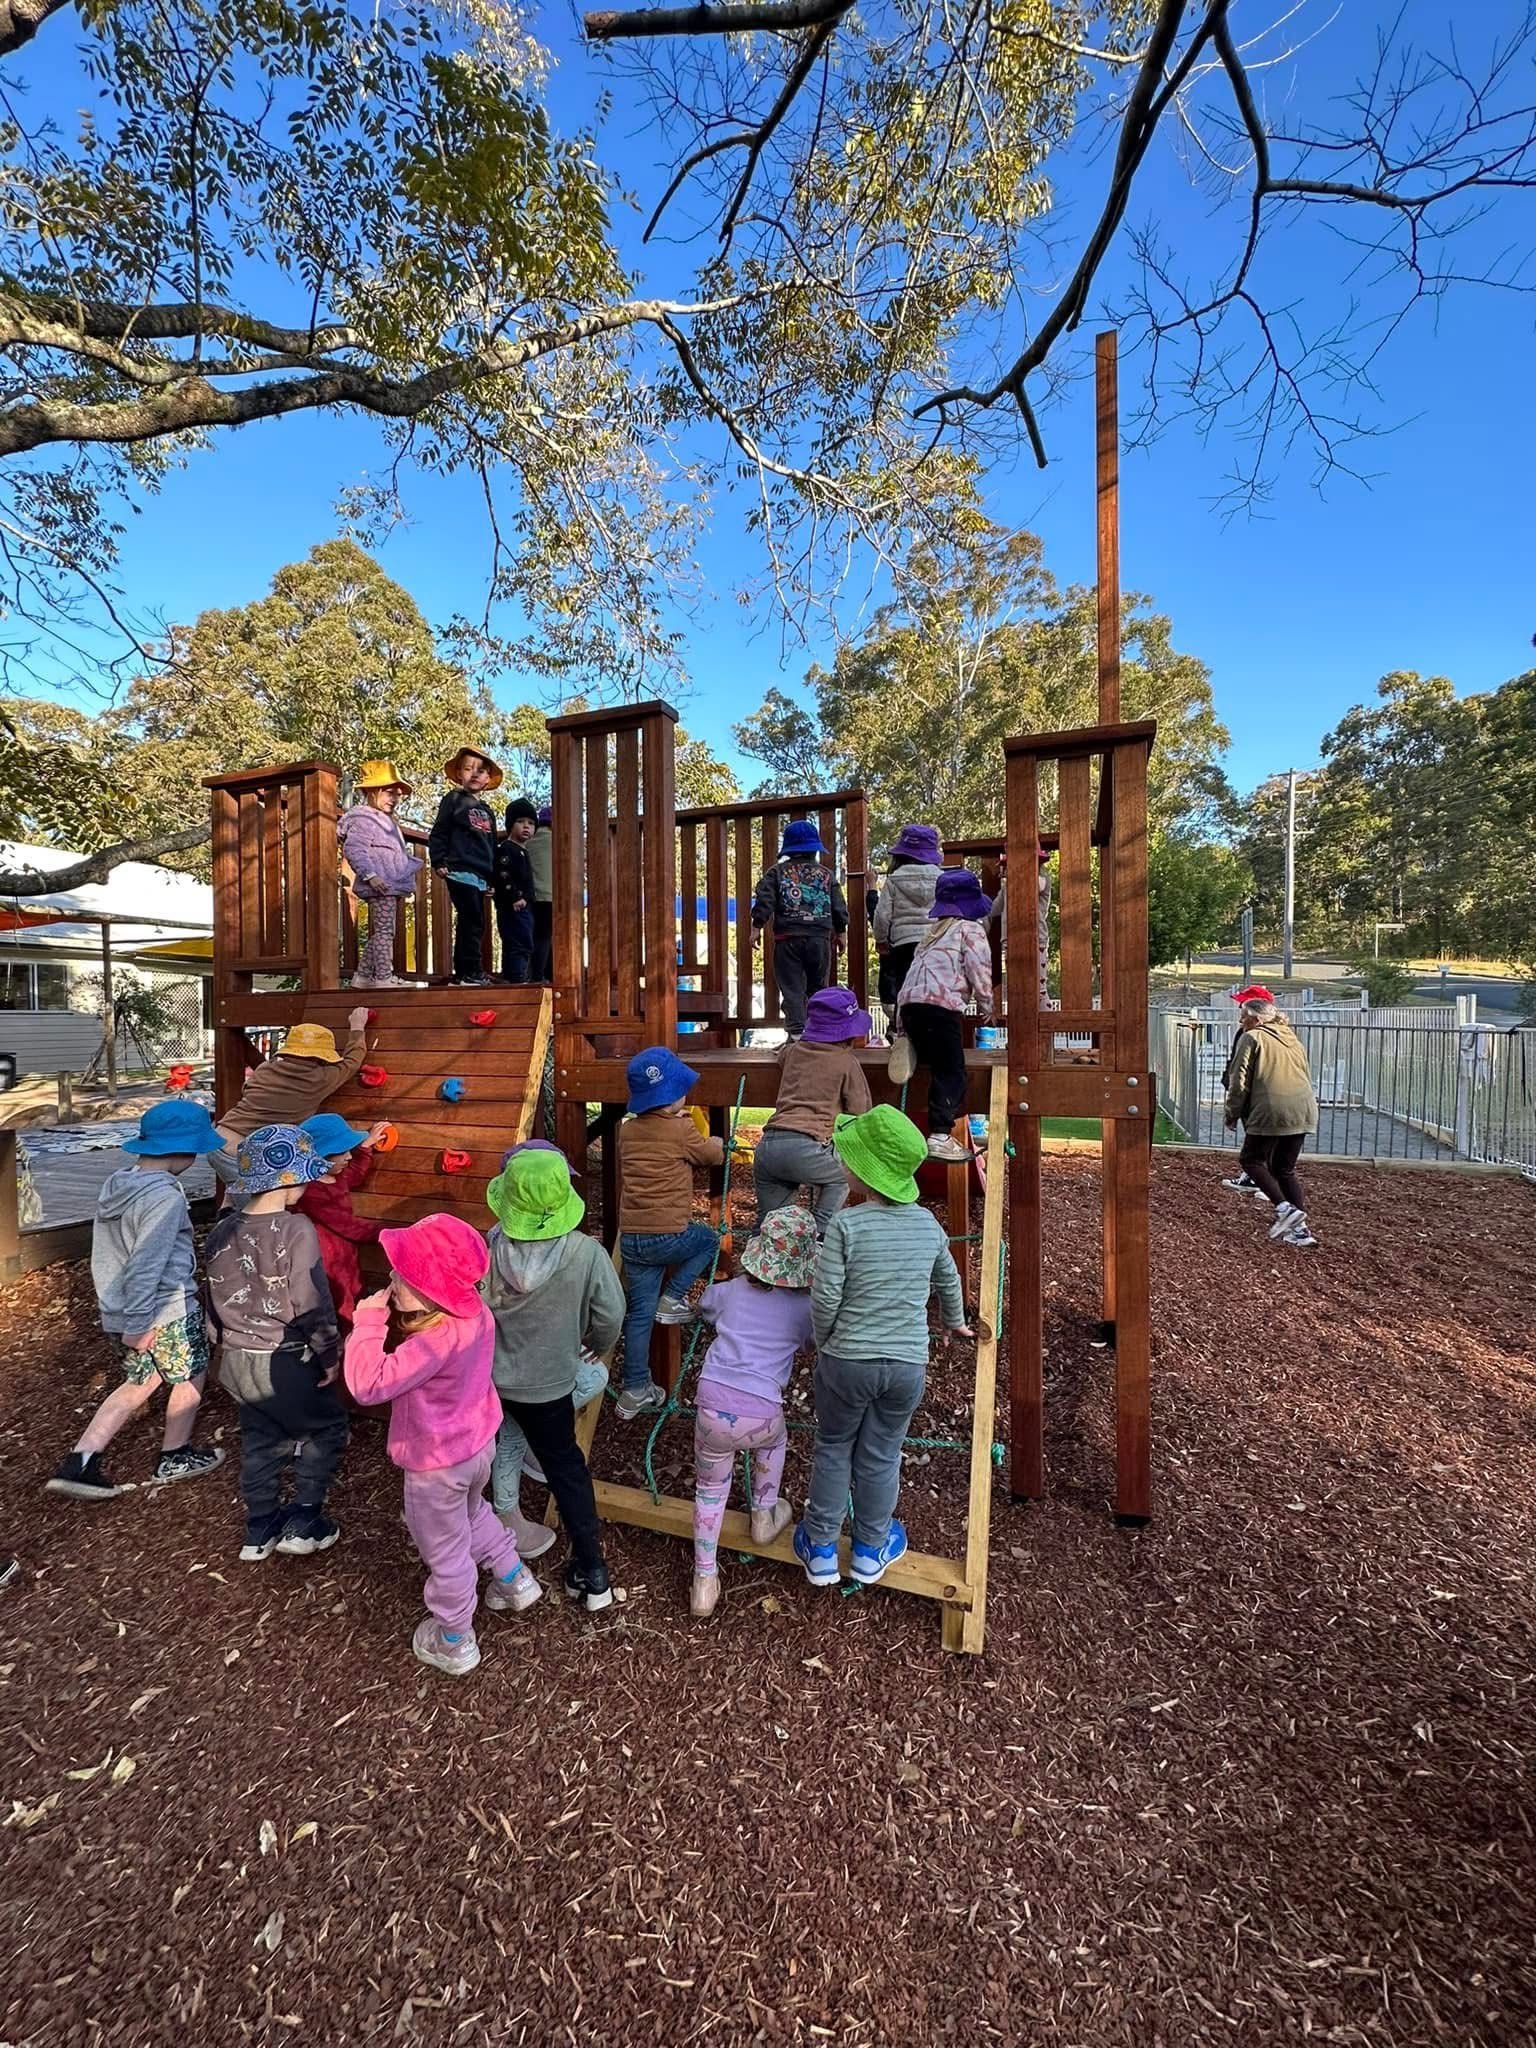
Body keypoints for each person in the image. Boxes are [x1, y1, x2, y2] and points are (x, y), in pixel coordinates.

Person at [347, 1214, 540, 1674]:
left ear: (430, 1290)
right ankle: (514, 1577)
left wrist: (369, 1323)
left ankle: (454, 1639)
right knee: (474, 1514)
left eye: (402, 1274)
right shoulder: (477, 1315)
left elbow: (367, 1384)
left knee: (445, 1551)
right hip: (477, 1449)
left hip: (436, 1468)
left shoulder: (429, 1344)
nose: (391, 1279)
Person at [794, 1105, 970, 1588]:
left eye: (849, 1158)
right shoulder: (929, 1227)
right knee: (881, 1453)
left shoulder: (847, 1226)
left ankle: (822, 1547)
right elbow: (948, 1280)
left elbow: (826, 1296)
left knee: (833, 1446)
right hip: (905, 1364)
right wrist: (955, 1323)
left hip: (847, 1360)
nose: (843, 1165)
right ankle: (871, 1550)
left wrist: (826, 1341)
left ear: (864, 1170)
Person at [46, 1098, 228, 1501]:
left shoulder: (119, 1183)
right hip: (162, 1310)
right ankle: (175, 1455)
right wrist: (141, 1322)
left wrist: (128, 1318)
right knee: (191, 1375)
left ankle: (81, 1460)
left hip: (120, 1308)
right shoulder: (164, 1198)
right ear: (181, 1149)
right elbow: (147, 1263)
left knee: (140, 1381)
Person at [481, 1147, 624, 1611]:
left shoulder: (491, 1244)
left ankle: (505, 1528)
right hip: (552, 1383)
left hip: (494, 1380)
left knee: (506, 1441)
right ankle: (592, 1571)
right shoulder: (585, 1252)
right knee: (566, 1468)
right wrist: (593, 1342)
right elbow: (611, 1315)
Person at [204, 1125, 347, 1561]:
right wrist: (329, 1353)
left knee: (260, 1437)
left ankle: (260, 1526)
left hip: (234, 1358)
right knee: (326, 1427)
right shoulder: (296, 1228)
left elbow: (209, 1294)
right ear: (289, 1179)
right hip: (282, 1359)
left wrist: (220, 1343)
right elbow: (308, 1299)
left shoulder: (221, 1230)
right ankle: (305, 1520)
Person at [690, 1203, 818, 1619]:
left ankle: (704, 1580)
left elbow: (707, 1305)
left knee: (709, 1490)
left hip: (711, 1406)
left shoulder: (732, 1291)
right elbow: (810, 1341)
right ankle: (763, 1513)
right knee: (774, 1441)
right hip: (763, 1410)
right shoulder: (805, 1308)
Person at [617, 1046, 724, 1418]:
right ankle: (674, 1296)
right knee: (709, 1240)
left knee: (639, 1315)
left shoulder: (627, 1131)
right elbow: (711, 1156)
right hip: (667, 1235)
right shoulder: (681, 1128)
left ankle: (634, 1388)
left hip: (632, 1238)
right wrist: (719, 1144)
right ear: (672, 1097)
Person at [753, 986, 872, 1232]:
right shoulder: (846, 1062)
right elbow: (861, 1110)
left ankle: (755, 1265)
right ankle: (820, 1230)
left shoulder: (793, 1052)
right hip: (808, 1148)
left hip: (769, 1149)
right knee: (843, 1177)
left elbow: (782, 1054)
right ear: (849, 1033)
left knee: (771, 1228)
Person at [895, 867, 993, 1163]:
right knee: (952, 1071)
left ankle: (908, 1047)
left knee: (936, 1061)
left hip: (911, 1009)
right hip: (941, 1009)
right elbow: (979, 968)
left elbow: (909, 981)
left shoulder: (930, 936)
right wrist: (987, 1004)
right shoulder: (971, 930)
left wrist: (901, 1027)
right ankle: (939, 1134)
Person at [214, 1011, 372, 1174]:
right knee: (259, 1198)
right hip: (245, 1150)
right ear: (322, 1058)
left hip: (221, 1135)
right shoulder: (320, 1079)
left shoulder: (266, 1068)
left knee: (235, 1193)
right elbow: (352, 1062)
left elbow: (246, 1091)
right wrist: (357, 1027)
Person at [1223, 994, 1320, 1248]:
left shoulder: (1251, 1037)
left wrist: (1232, 1113)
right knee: (1283, 1169)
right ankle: (1300, 1231)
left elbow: (1238, 1080)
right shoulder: (1292, 1039)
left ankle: (1284, 1209)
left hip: (1271, 1109)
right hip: (1303, 1109)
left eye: (1243, 1017)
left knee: (1251, 1160)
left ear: (1255, 1019)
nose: (1240, 1021)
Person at [750, 819, 849, 1037]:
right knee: (817, 989)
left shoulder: (776, 873)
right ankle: (816, 1034)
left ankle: (796, 1035)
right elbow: (838, 906)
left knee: (792, 989)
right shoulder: (826, 875)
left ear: (787, 850)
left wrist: (757, 926)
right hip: (819, 940)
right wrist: (841, 933)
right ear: (815, 850)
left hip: (788, 939)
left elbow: (765, 900)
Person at [297, 1112, 389, 1331]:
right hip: (326, 1262)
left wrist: (365, 1147)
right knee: (339, 1309)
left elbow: (354, 1173)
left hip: (345, 1259)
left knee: (353, 1296)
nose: (348, 1156)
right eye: (341, 1152)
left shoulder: (336, 1177)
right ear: (321, 1156)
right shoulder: (312, 1192)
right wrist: (391, 1234)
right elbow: (350, 1227)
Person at [337, 759, 424, 990]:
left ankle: (363, 976)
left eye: (396, 794)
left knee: (384, 931)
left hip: (389, 883)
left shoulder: (385, 820)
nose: (393, 799)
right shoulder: (364, 818)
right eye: (388, 793)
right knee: (385, 932)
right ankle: (384, 977)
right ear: (370, 791)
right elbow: (354, 849)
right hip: (380, 883)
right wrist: (370, 875)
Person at [427, 745, 502, 987]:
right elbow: (439, 831)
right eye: (468, 769)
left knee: (475, 921)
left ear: (488, 778)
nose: (474, 774)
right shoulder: (454, 800)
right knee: (471, 919)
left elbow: (491, 845)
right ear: (459, 774)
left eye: (480, 770)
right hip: (459, 870)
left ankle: (467, 972)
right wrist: (438, 860)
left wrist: (493, 878)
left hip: (480, 874)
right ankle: (469, 971)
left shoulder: (487, 811)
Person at [872, 824, 942, 1013]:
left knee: (905, 989)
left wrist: (881, 940)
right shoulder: (941, 879)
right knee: (933, 988)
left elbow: (882, 914)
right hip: (935, 941)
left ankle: (905, 1030)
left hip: (903, 944)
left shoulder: (894, 879)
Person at [1218, 987, 1270, 1200]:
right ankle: (1252, 1177)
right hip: (1253, 1091)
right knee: (1254, 1134)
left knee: (1263, 1138)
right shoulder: (1247, 1031)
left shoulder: (1254, 1033)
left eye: (1243, 1003)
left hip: (1258, 1092)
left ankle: (1266, 1181)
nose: (1239, 1007)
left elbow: (1242, 1068)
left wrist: (1235, 1097)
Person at [493, 797, 539, 985]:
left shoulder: (523, 851)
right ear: (511, 825)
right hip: (513, 906)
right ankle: (516, 977)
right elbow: (503, 874)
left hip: (525, 905)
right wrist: (515, 896)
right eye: (520, 822)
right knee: (518, 940)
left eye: (530, 823)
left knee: (524, 939)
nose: (526, 826)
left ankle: (514, 975)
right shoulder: (506, 849)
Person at [528, 803, 554, 983]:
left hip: (533, 897)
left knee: (537, 935)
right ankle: (541, 975)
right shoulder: (558, 841)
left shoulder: (529, 842)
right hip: (551, 896)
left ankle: (538, 974)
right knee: (546, 937)